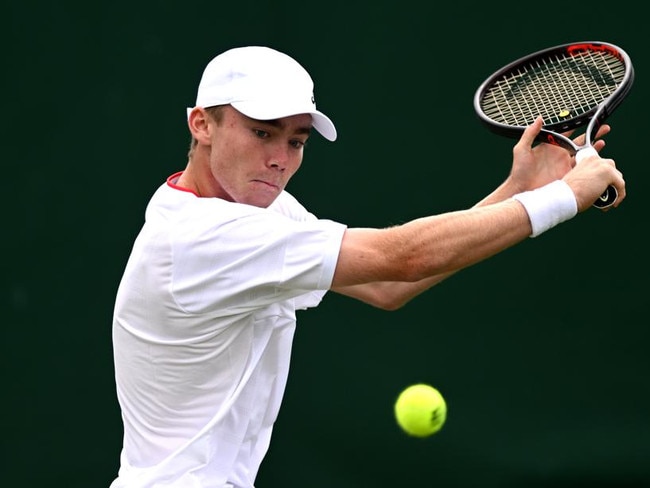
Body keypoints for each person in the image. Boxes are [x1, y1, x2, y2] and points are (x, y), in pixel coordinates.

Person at [109, 45, 625, 488]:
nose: (280, 159)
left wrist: (517, 193)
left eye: (295, 141)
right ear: (202, 124)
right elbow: (401, 257)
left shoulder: (252, 209)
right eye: (262, 133)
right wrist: (565, 197)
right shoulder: (207, 237)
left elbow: (385, 285)